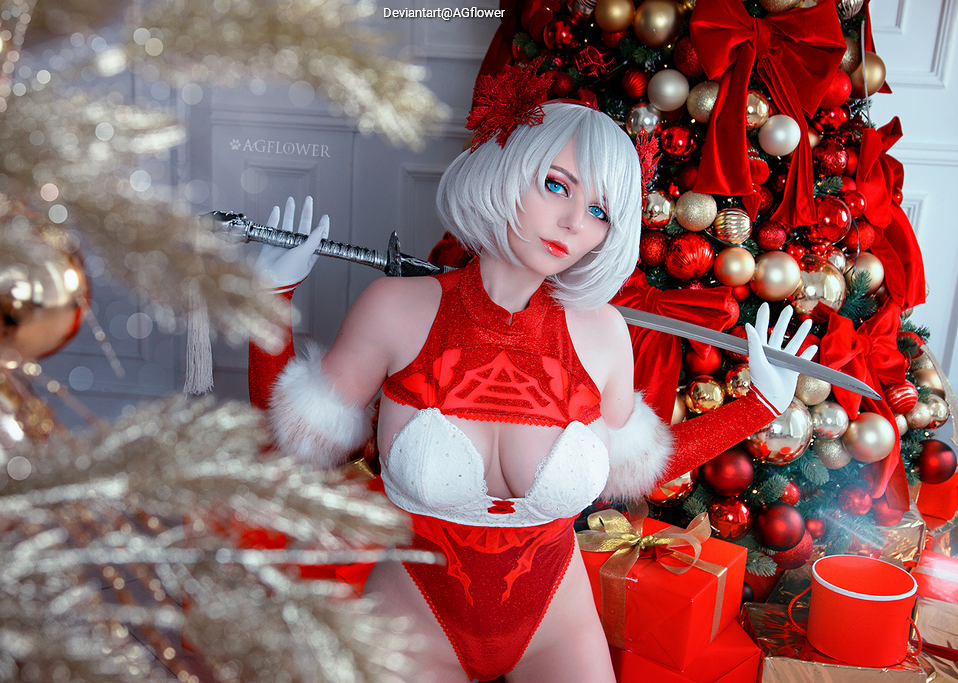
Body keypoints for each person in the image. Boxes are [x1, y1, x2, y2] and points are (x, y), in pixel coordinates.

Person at [250, 89, 814, 681]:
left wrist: (760, 407)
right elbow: (296, 431)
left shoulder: (604, 334)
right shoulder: (397, 308)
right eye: (556, 184)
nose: (574, 223)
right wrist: (268, 303)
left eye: (600, 211)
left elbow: (642, 465)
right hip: (410, 619)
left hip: (556, 628)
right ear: (505, 169)